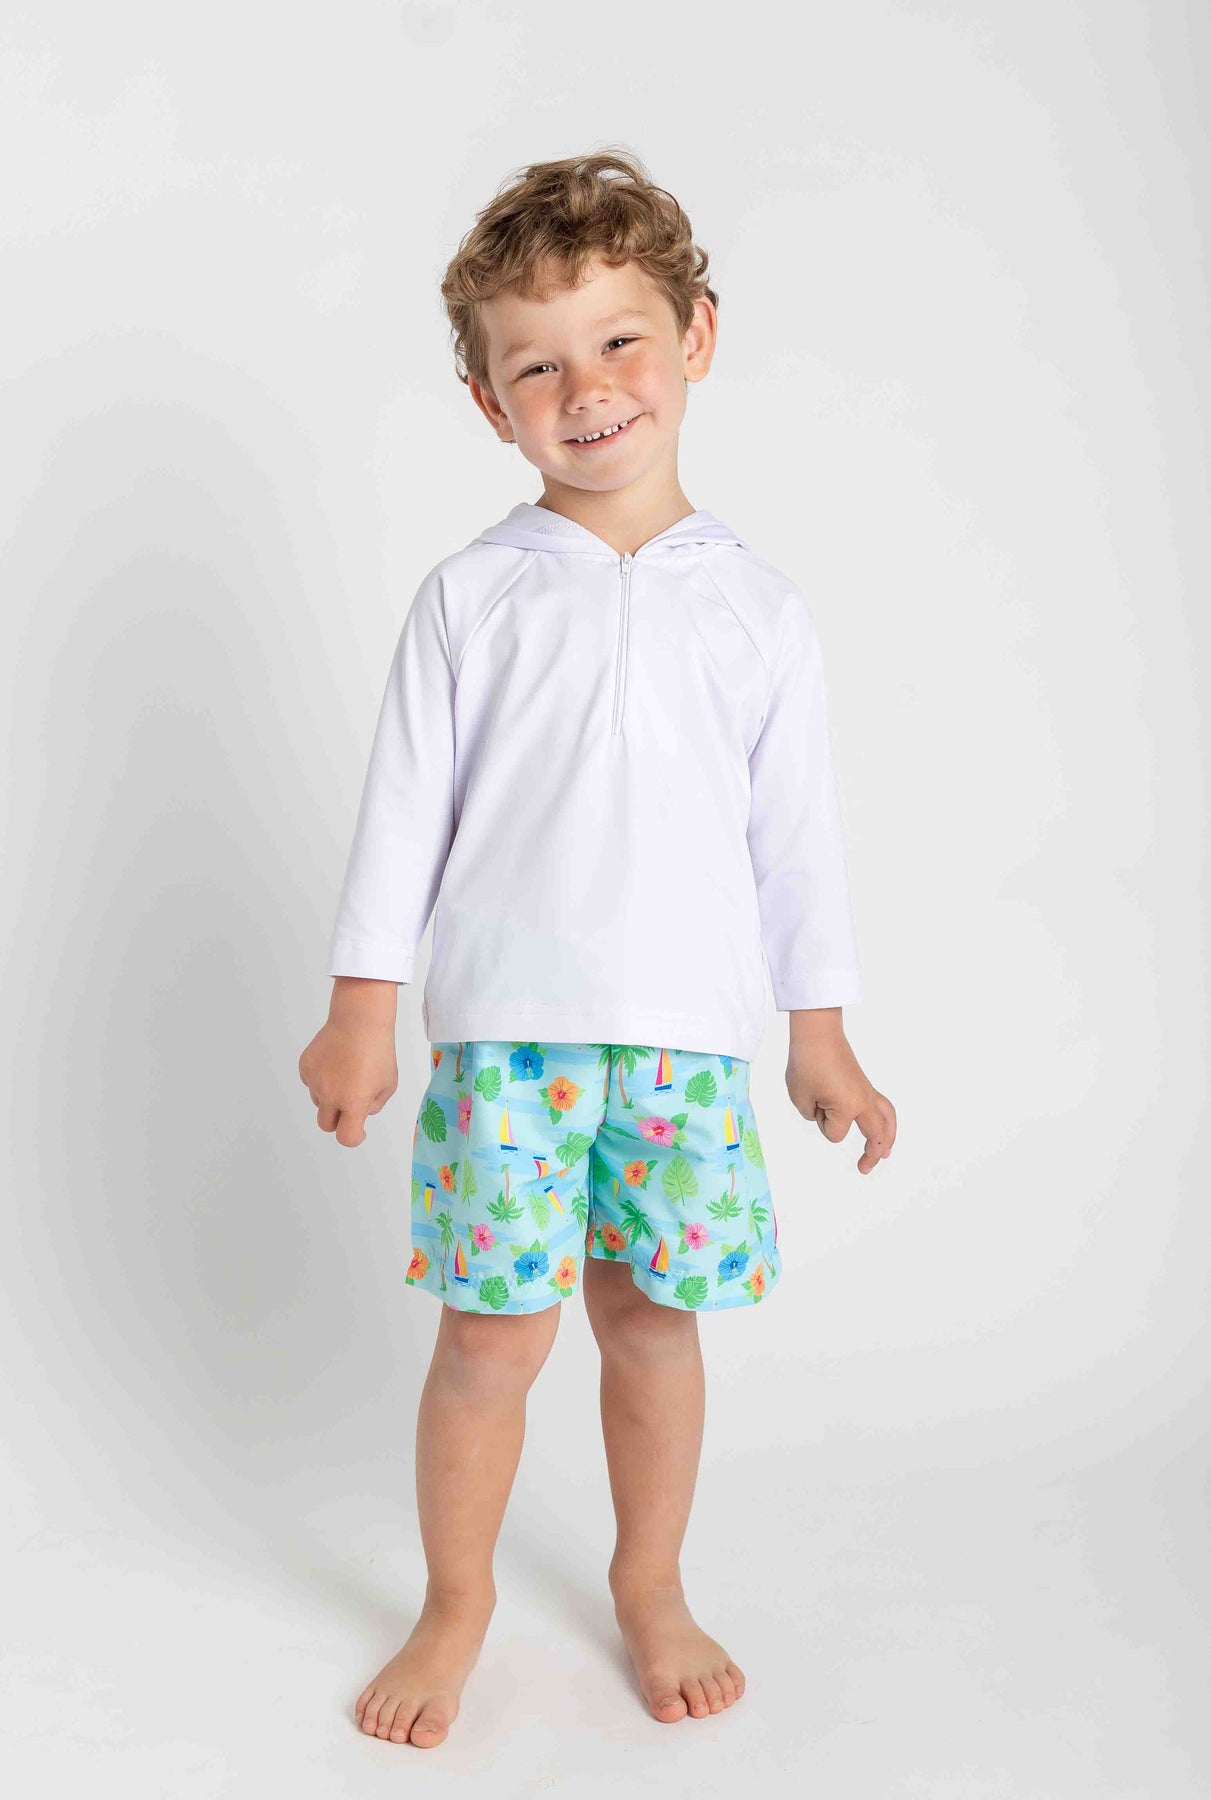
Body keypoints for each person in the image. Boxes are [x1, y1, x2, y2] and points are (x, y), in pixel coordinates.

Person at [298, 147, 896, 1750]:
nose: (587, 389)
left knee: (649, 1321)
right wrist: (361, 1012)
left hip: (685, 1045)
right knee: (490, 1340)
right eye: (538, 365)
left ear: (697, 335)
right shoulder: (474, 597)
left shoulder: (758, 611)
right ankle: (456, 1605)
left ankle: (651, 1582)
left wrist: (820, 1033)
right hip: (508, 1043)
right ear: (490, 404)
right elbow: (402, 818)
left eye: (619, 340)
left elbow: (796, 841)